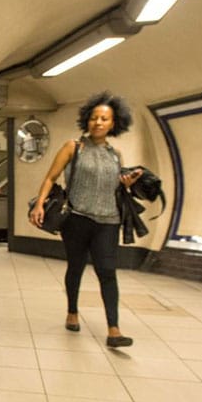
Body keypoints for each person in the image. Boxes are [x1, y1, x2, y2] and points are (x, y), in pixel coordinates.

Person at [29, 92, 142, 348]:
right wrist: (39, 204)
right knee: (76, 266)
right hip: (77, 219)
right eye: (94, 118)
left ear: (113, 123)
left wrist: (126, 183)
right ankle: (72, 311)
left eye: (104, 119)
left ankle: (114, 330)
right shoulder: (73, 147)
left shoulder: (115, 154)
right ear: (86, 120)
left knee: (107, 271)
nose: (98, 122)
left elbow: (114, 188)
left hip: (108, 221)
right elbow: (51, 177)